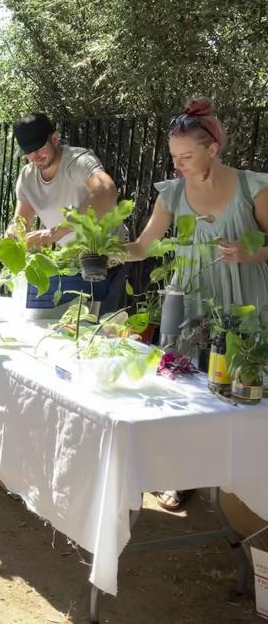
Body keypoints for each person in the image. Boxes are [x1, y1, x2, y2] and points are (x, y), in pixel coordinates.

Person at [126, 96, 268, 511]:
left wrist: (251, 250)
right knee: (183, 391)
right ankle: (180, 475)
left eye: (186, 155)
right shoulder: (172, 194)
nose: (178, 164)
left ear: (213, 149)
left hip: (245, 300)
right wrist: (100, 249)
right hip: (189, 300)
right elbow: (142, 247)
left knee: (243, 393)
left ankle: (247, 486)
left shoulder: (252, 188)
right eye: (174, 156)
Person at [10, 112, 128, 311]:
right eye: (28, 152)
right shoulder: (27, 177)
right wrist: (13, 236)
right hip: (72, 263)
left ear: (55, 138)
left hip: (108, 260)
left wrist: (55, 232)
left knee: (99, 333)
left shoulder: (78, 160)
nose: (34, 157)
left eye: (39, 148)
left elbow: (106, 191)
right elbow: (21, 221)